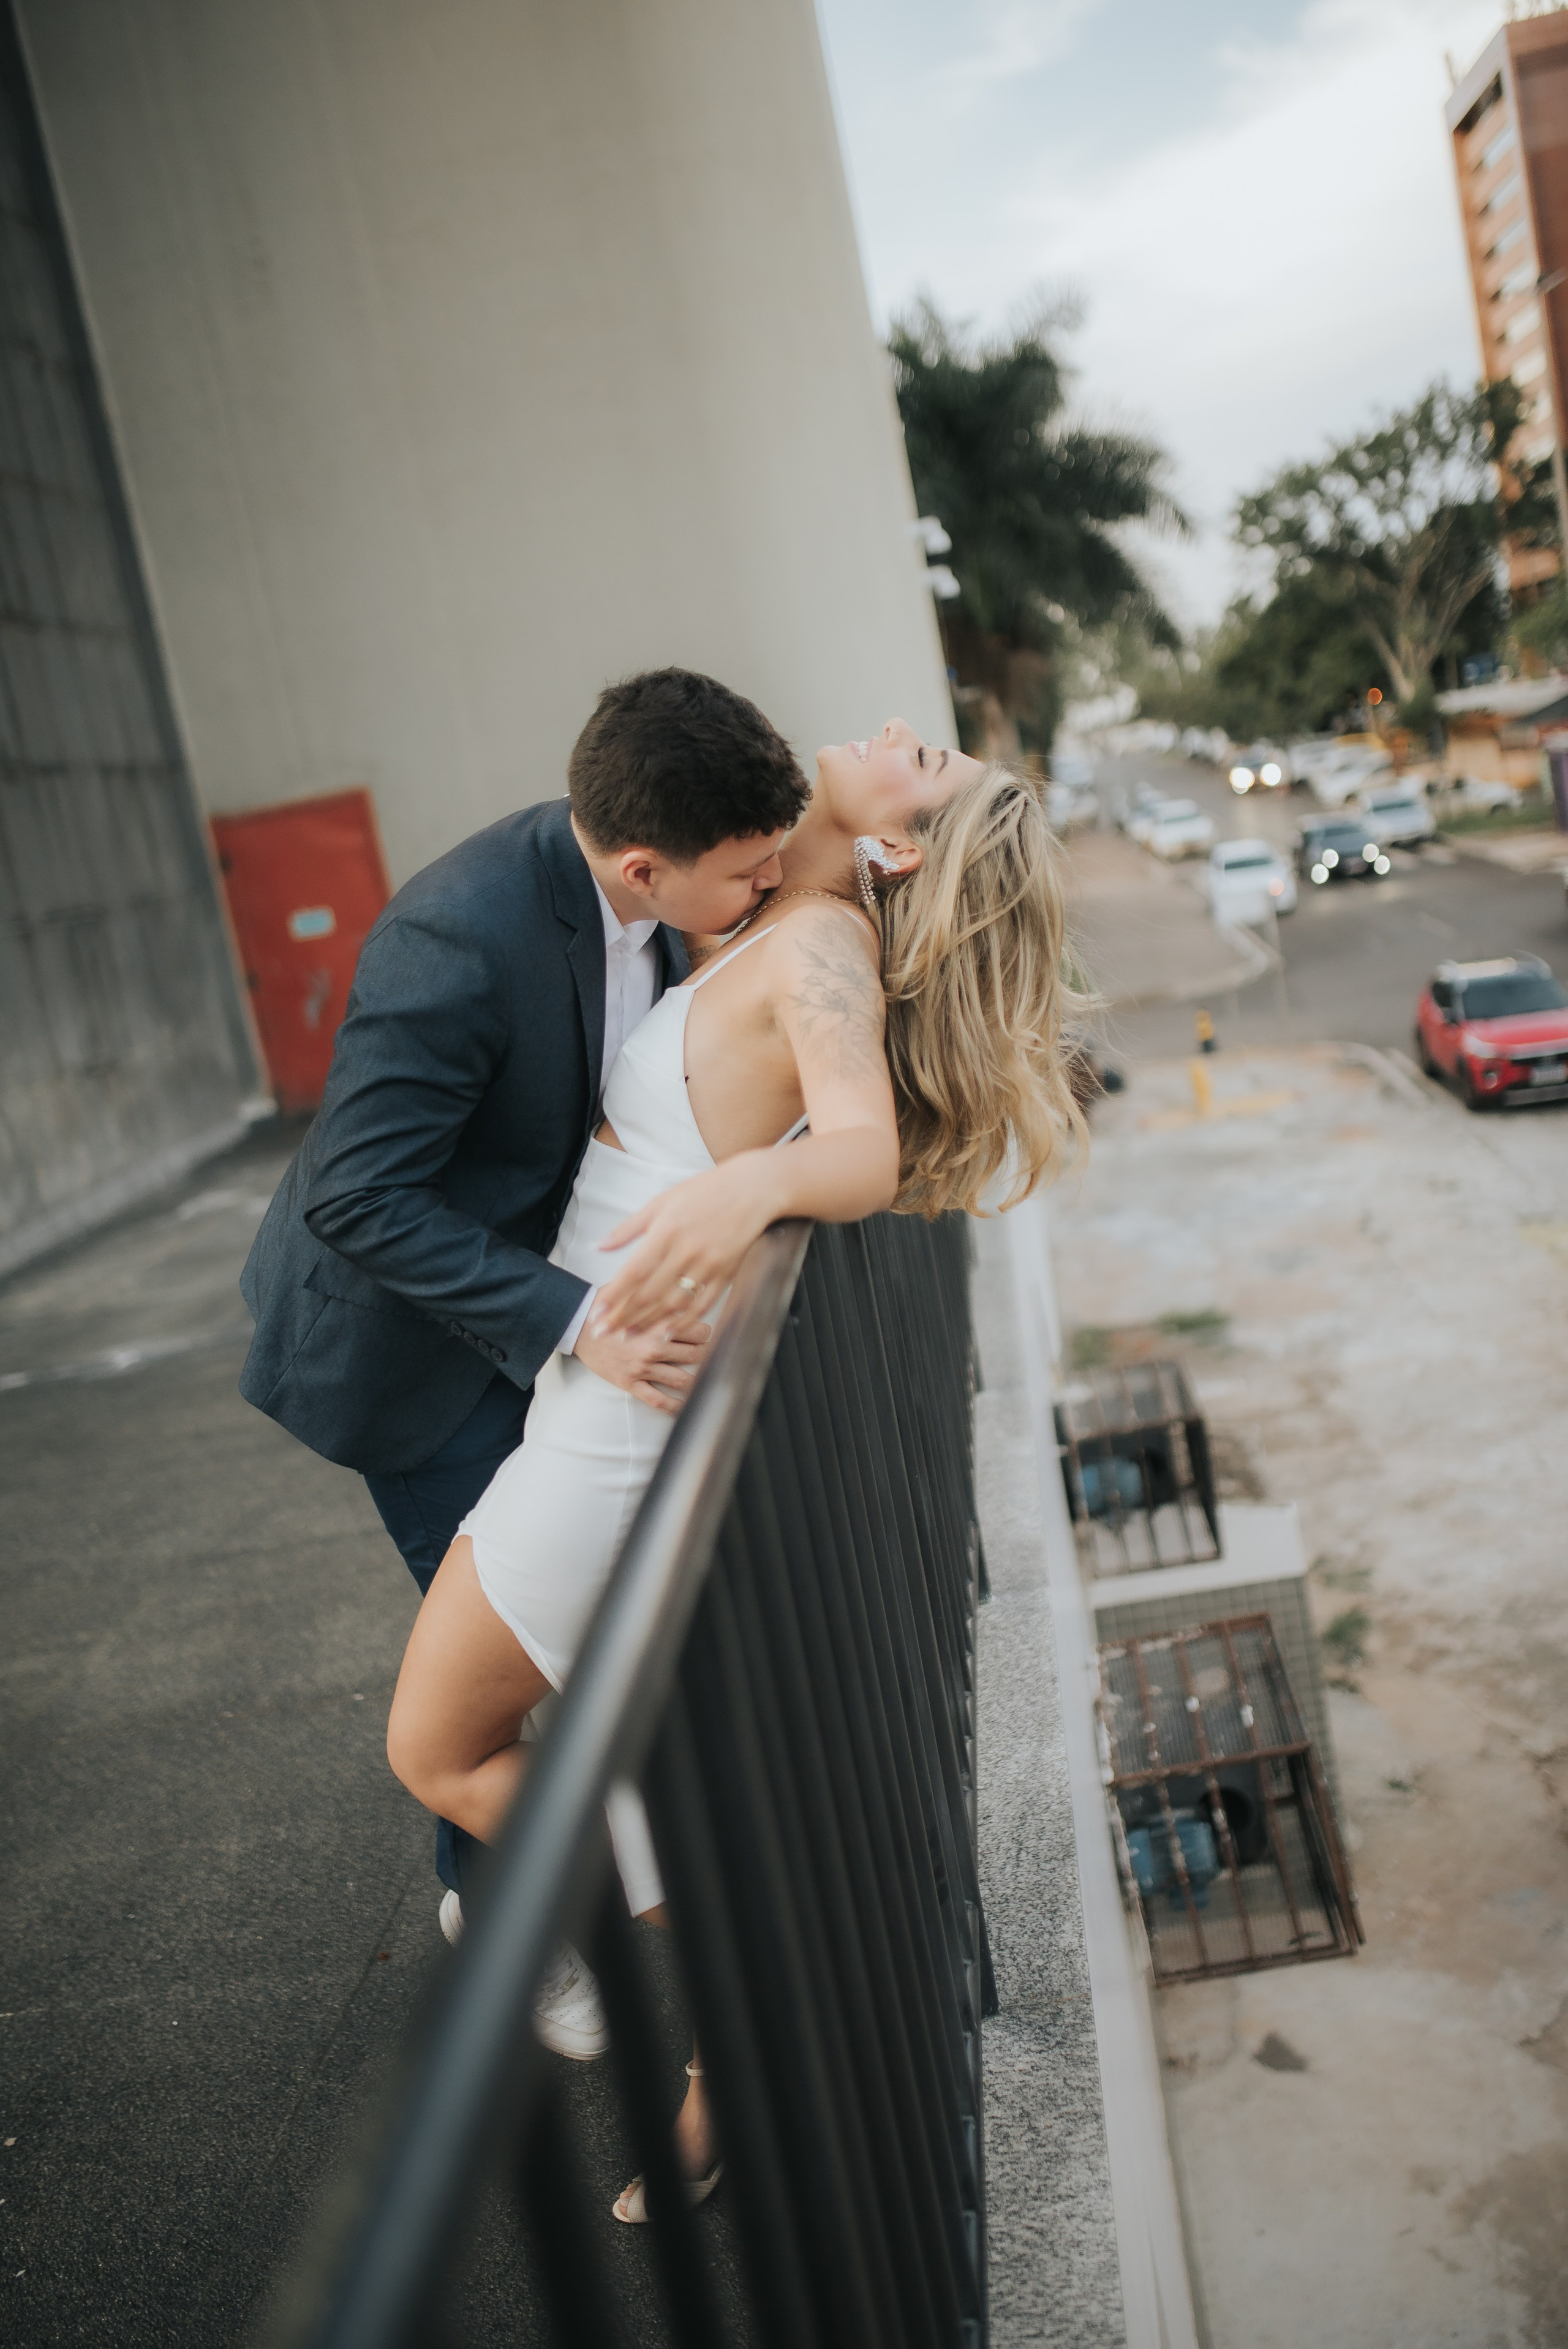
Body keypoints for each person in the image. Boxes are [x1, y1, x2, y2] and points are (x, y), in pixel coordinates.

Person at [384, 717, 1087, 2219]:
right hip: (599, 1385)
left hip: (617, 1422)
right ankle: (739, 2011)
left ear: (897, 843)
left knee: (439, 1751)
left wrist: (751, 1185)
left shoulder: (820, 942)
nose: (905, 732)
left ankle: (742, 1980)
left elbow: (863, 1152)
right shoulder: (776, 903)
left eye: (929, 764)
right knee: (602, 1752)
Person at [238, 669, 812, 2053]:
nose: (769, 888)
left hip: (537, 1295)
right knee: (499, 1684)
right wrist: (576, 1321)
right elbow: (357, 1196)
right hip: (407, 1350)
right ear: (643, 867)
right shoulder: (459, 934)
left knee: (547, 1651)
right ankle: (504, 1924)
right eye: (750, 873)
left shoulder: (669, 883)